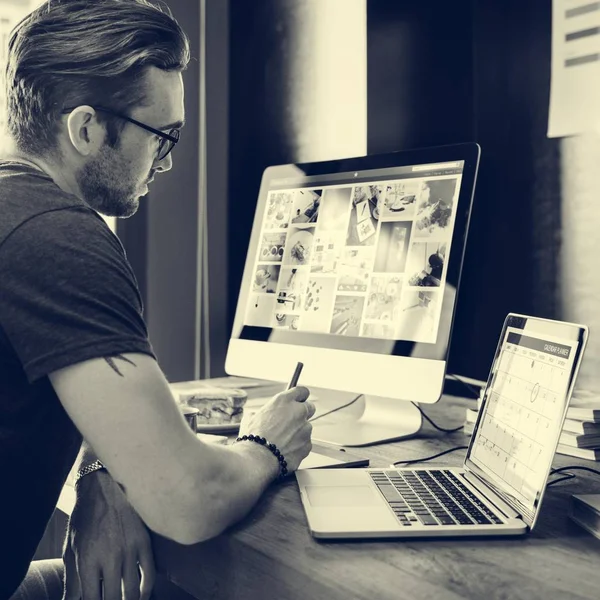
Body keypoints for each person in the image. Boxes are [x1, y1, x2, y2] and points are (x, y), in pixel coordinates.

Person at [0, 1, 315, 598]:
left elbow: (94, 399)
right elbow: (188, 500)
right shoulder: (56, 235)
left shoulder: (14, 209)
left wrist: (102, 469)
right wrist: (267, 444)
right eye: (161, 136)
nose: (166, 162)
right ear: (86, 128)